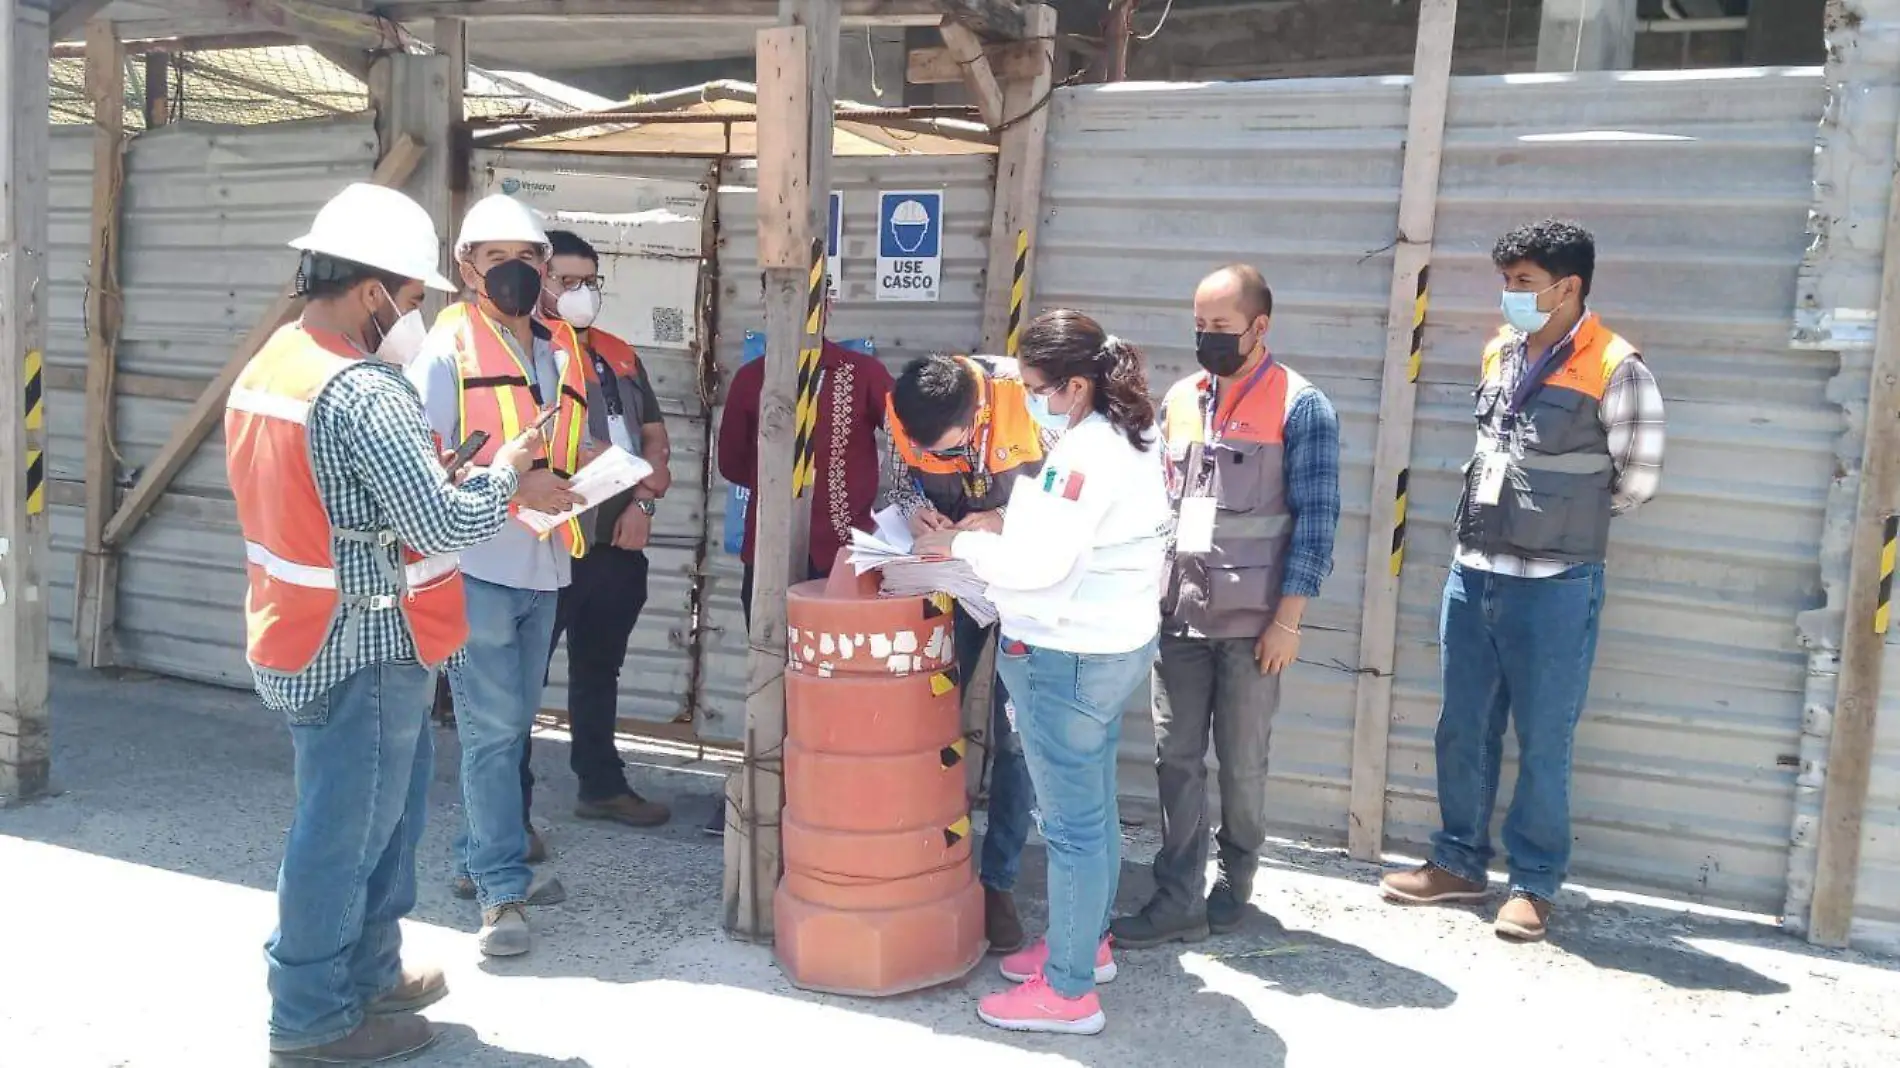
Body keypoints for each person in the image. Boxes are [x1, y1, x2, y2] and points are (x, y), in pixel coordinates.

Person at [227, 183, 538, 1065]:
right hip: (362, 643)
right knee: (344, 834)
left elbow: (335, 498)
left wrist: (428, 476)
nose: (413, 317)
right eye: (408, 299)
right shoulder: (365, 391)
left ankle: (368, 971)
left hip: (311, 631)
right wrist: (505, 475)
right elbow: (438, 526)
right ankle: (313, 1016)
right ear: (371, 292)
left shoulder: (277, 362)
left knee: (378, 820)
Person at [1379, 219, 1665, 942]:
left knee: (1544, 736)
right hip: (1475, 570)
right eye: (1507, 282)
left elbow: (1636, 480)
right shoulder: (1500, 350)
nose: (1511, 296)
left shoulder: (1617, 364)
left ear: (1568, 288)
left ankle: (1534, 884)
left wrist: (1557, 522)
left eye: (1525, 284)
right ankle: (1457, 864)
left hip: (1557, 580)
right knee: (1462, 726)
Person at [913, 310, 1171, 1037]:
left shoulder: (1083, 454)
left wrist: (962, 550)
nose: (1027, 399)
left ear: (1078, 385)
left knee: (1073, 829)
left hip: (1066, 655)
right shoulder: (1129, 434)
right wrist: (995, 526)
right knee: (1092, 810)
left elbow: (1040, 565)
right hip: (1110, 646)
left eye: (1036, 388)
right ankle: (1083, 947)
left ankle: (1068, 993)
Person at [1111, 265, 1340, 948]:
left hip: (1255, 627)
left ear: (1259, 327)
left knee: (1242, 763)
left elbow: (1317, 521)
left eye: (1221, 328)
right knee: (1175, 757)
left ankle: (1235, 881)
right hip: (1180, 615)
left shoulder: (1302, 406)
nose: (1206, 339)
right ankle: (1177, 891)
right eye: (1200, 326)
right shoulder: (1181, 399)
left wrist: (1288, 620)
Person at [408, 194, 588, 958]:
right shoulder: (444, 351)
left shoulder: (557, 347)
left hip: (543, 564)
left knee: (510, 728)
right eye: (496, 257)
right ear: (466, 268)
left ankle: (476, 857)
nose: (515, 270)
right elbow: (422, 468)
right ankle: (501, 894)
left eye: (528, 256)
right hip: (477, 563)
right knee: (491, 732)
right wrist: (517, 488)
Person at [714, 276, 893, 834]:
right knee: (771, 675)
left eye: (819, 302)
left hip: (843, 561)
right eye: (785, 302)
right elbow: (732, 464)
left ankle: (834, 798)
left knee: (840, 682)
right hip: (768, 558)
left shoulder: (862, 373)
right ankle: (768, 796)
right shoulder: (752, 379)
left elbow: (907, 435)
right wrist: (785, 493)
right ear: (767, 306)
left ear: (831, 306)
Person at [885, 352, 1050, 955]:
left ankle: (998, 881)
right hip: (950, 580)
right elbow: (899, 481)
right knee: (926, 722)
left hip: (1025, 588)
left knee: (1016, 738)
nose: (946, 461)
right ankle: (926, 860)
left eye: (954, 450)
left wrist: (1002, 519)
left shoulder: (1032, 398)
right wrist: (914, 509)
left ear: (978, 414)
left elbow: (1069, 498)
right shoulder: (909, 407)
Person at [515, 229, 674, 831]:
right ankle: (512, 814)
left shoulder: (618, 351)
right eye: (565, 280)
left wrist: (644, 503)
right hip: (552, 541)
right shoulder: (529, 353)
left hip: (619, 542)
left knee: (599, 669)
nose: (578, 293)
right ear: (539, 280)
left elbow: (656, 438)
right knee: (523, 682)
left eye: (588, 282)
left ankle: (601, 785)